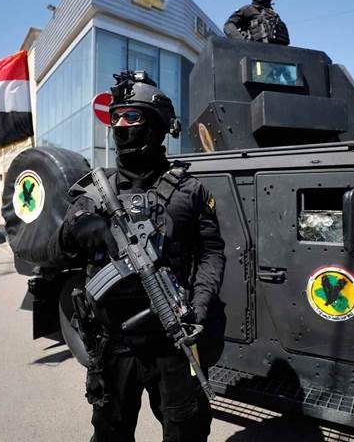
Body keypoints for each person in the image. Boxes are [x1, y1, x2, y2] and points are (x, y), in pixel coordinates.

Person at [49, 71, 226, 442]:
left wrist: (198, 307)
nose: (120, 126)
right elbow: (57, 251)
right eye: (116, 118)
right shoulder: (95, 193)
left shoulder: (189, 191)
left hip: (173, 340)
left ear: (158, 125)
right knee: (110, 434)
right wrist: (78, 226)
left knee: (186, 433)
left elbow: (212, 253)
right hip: (114, 343)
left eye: (132, 117)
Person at [223, 0, 290, 45]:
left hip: (280, 50)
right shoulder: (248, 9)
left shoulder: (274, 14)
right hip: (257, 50)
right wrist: (243, 44)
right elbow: (228, 25)